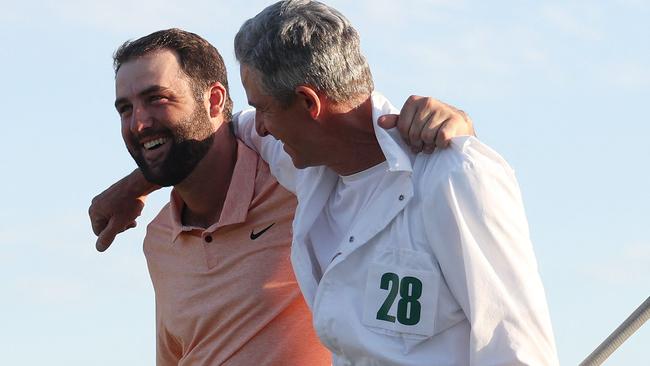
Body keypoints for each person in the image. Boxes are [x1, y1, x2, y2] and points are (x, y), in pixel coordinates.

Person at [93, 27, 472, 365]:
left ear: (213, 101)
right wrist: (135, 183)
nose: (138, 123)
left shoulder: (302, 178)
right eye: (125, 109)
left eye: (157, 98)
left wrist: (446, 127)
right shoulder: (158, 239)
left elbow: (359, 136)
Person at [230, 0, 560, 365]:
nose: (260, 126)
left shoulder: (455, 175)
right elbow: (228, 127)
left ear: (309, 102)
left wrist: (464, 130)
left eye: (264, 109)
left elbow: (516, 348)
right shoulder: (306, 161)